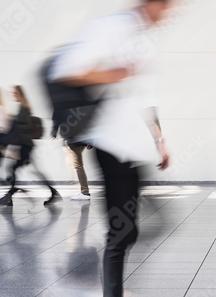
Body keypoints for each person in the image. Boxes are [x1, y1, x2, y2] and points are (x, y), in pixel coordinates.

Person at [49, 1, 172, 296]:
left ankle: (110, 285)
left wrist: (160, 141)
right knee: (121, 232)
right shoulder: (110, 27)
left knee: (135, 229)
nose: (168, 14)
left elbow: (144, 100)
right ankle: (110, 290)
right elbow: (67, 70)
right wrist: (112, 75)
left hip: (133, 146)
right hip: (110, 143)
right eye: (167, 6)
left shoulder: (141, 39)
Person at [0, 86, 61, 206]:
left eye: (15, 93)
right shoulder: (23, 107)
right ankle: (10, 196)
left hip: (26, 146)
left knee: (14, 169)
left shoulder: (24, 108)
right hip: (25, 146)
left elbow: (24, 128)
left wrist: (12, 127)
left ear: (20, 94)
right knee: (21, 170)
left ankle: (10, 195)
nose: (13, 95)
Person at [51, 125, 92, 200]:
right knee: (76, 165)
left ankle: (85, 192)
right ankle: (83, 191)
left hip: (74, 141)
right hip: (81, 140)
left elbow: (57, 119)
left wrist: (54, 132)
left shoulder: (64, 113)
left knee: (78, 166)